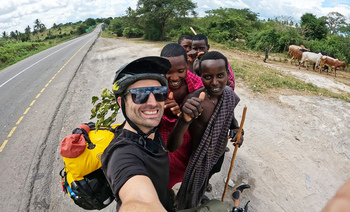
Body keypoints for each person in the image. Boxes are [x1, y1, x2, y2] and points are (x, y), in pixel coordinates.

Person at [167, 51, 243, 209]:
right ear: (200, 76)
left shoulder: (228, 95)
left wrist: (237, 130)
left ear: (228, 75)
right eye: (208, 77)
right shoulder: (194, 102)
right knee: (189, 196)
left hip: (219, 153)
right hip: (198, 159)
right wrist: (184, 117)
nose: (215, 82)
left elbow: (232, 121)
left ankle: (202, 191)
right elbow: (172, 146)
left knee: (209, 176)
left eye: (220, 75)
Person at [101, 56, 175, 211]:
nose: (153, 103)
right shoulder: (121, 153)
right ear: (122, 103)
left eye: (160, 93)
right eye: (139, 95)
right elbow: (139, 202)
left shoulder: (151, 128)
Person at [159, 43, 203, 189]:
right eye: (168, 72)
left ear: (187, 65)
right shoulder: (156, 86)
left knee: (189, 168)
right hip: (164, 136)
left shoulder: (198, 85)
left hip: (187, 135)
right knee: (165, 171)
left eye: (180, 71)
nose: (174, 77)